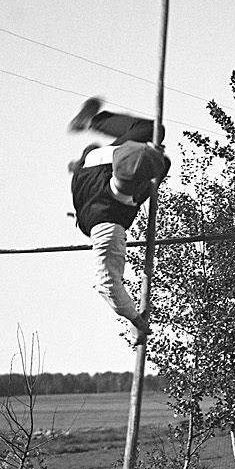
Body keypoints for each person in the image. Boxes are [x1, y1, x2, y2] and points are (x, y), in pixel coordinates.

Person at [66, 97, 172, 338]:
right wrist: (135, 319)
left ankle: (92, 126)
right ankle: (84, 152)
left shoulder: (117, 161)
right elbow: (107, 286)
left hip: (96, 163)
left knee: (156, 140)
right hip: (94, 172)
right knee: (160, 155)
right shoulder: (107, 227)